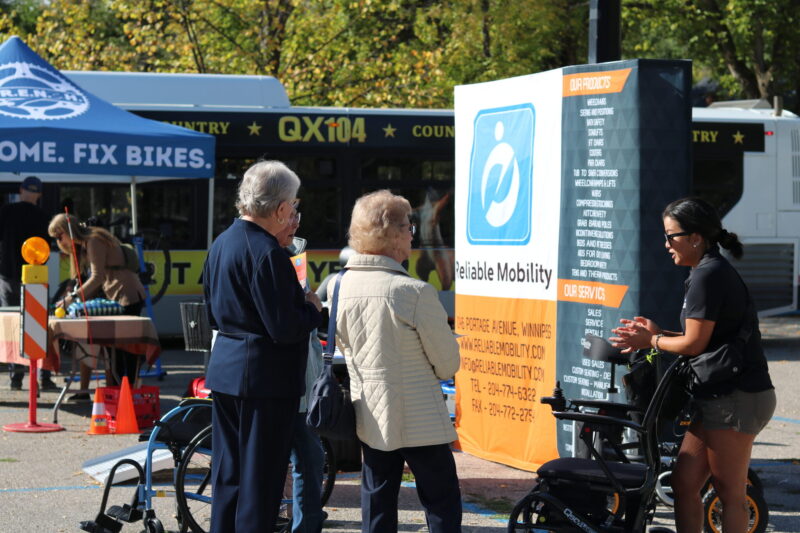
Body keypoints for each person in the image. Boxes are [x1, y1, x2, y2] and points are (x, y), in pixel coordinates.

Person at [609, 197, 775, 533]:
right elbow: (702, 337)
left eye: (671, 236)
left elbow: (694, 344)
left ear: (695, 237)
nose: (666, 244)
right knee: (685, 483)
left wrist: (651, 341)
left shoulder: (708, 275)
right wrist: (658, 333)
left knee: (730, 493)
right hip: (719, 394)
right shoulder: (705, 272)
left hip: (737, 397)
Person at [331, 189, 462, 533]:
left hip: (370, 414)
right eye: (407, 226)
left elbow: (344, 349)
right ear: (391, 235)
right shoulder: (414, 292)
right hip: (421, 419)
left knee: (376, 501)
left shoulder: (339, 286)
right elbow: (448, 364)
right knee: (441, 503)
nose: (411, 233)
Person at [202, 160, 322, 533]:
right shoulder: (267, 252)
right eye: (294, 207)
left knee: (229, 474)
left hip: (227, 371)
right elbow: (285, 328)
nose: (295, 215)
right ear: (282, 208)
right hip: (264, 380)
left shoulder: (222, 242)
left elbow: (212, 313)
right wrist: (312, 310)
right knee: (261, 480)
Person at [48, 213, 146, 399]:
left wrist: (71, 298)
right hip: (119, 297)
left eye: (59, 236)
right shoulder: (87, 242)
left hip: (127, 296)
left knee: (125, 351)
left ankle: (126, 396)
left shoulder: (93, 240)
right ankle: (120, 396)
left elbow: (96, 277)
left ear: (67, 231)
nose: (58, 241)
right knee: (114, 351)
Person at [0, 176, 57, 391]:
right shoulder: (44, 217)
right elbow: (48, 248)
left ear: (21, 189)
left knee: (12, 326)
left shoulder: (6, 211)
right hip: (36, 278)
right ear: (40, 194)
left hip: (7, 275)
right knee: (39, 326)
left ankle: (16, 377)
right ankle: (44, 377)